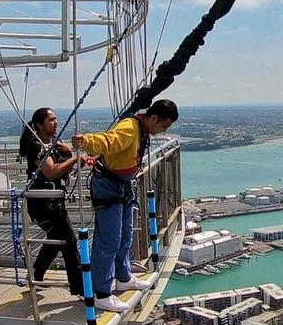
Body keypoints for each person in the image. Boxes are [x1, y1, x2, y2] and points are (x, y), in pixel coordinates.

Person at [72, 99, 179, 312]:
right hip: (109, 185)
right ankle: (101, 293)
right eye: (162, 126)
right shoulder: (130, 128)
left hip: (121, 185)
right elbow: (109, 140)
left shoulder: (142, 130)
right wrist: (85, 142)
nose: (161, 131)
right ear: (154, 118)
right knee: (109, 239)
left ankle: (123, 277)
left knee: (124, 235)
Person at [18, 108, 83, 296]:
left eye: (55, 119)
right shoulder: (36, 145)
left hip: (52, 201)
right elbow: (52, 171)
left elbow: (63, 168)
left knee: (57, 239)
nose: (55, 123)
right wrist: (74, 158)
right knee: (69, 241)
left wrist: (70, 154)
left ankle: (36, 276)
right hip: (44, 203)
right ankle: (80, 289)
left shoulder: (51, 144)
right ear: (39, 125)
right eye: (51, 120)